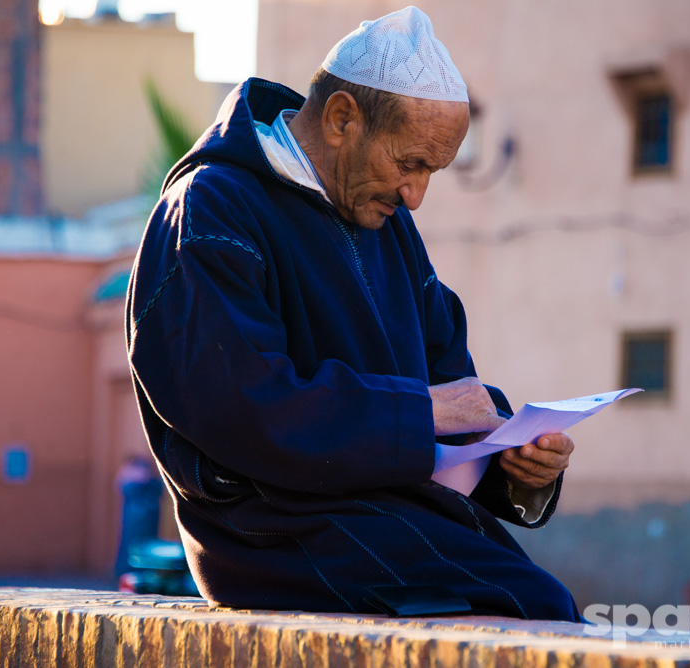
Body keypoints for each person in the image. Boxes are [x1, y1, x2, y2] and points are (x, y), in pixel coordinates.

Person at [126, 6, 581, 621]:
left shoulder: (388, 223)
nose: (416, 195)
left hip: (392, 515)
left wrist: (516, 468)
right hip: (275, 532)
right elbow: (241, 406)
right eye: (410, 163)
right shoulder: (212, 210)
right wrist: (423, 413)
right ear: (342, 118)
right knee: (530, 609)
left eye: (433, 171)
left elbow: (451, 393)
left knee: (539, 604)